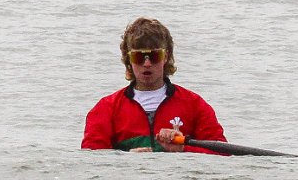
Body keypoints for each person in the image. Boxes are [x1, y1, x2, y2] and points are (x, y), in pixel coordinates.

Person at [82, 17, 227, 153]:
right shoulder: (105, 109)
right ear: (128, 59)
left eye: (154, 56)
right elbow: (92, 161)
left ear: (166, 57)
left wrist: (182, 150)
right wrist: (124, 160)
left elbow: (222, 155)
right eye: (138, 57)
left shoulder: (195, 105)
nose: (147, 64)